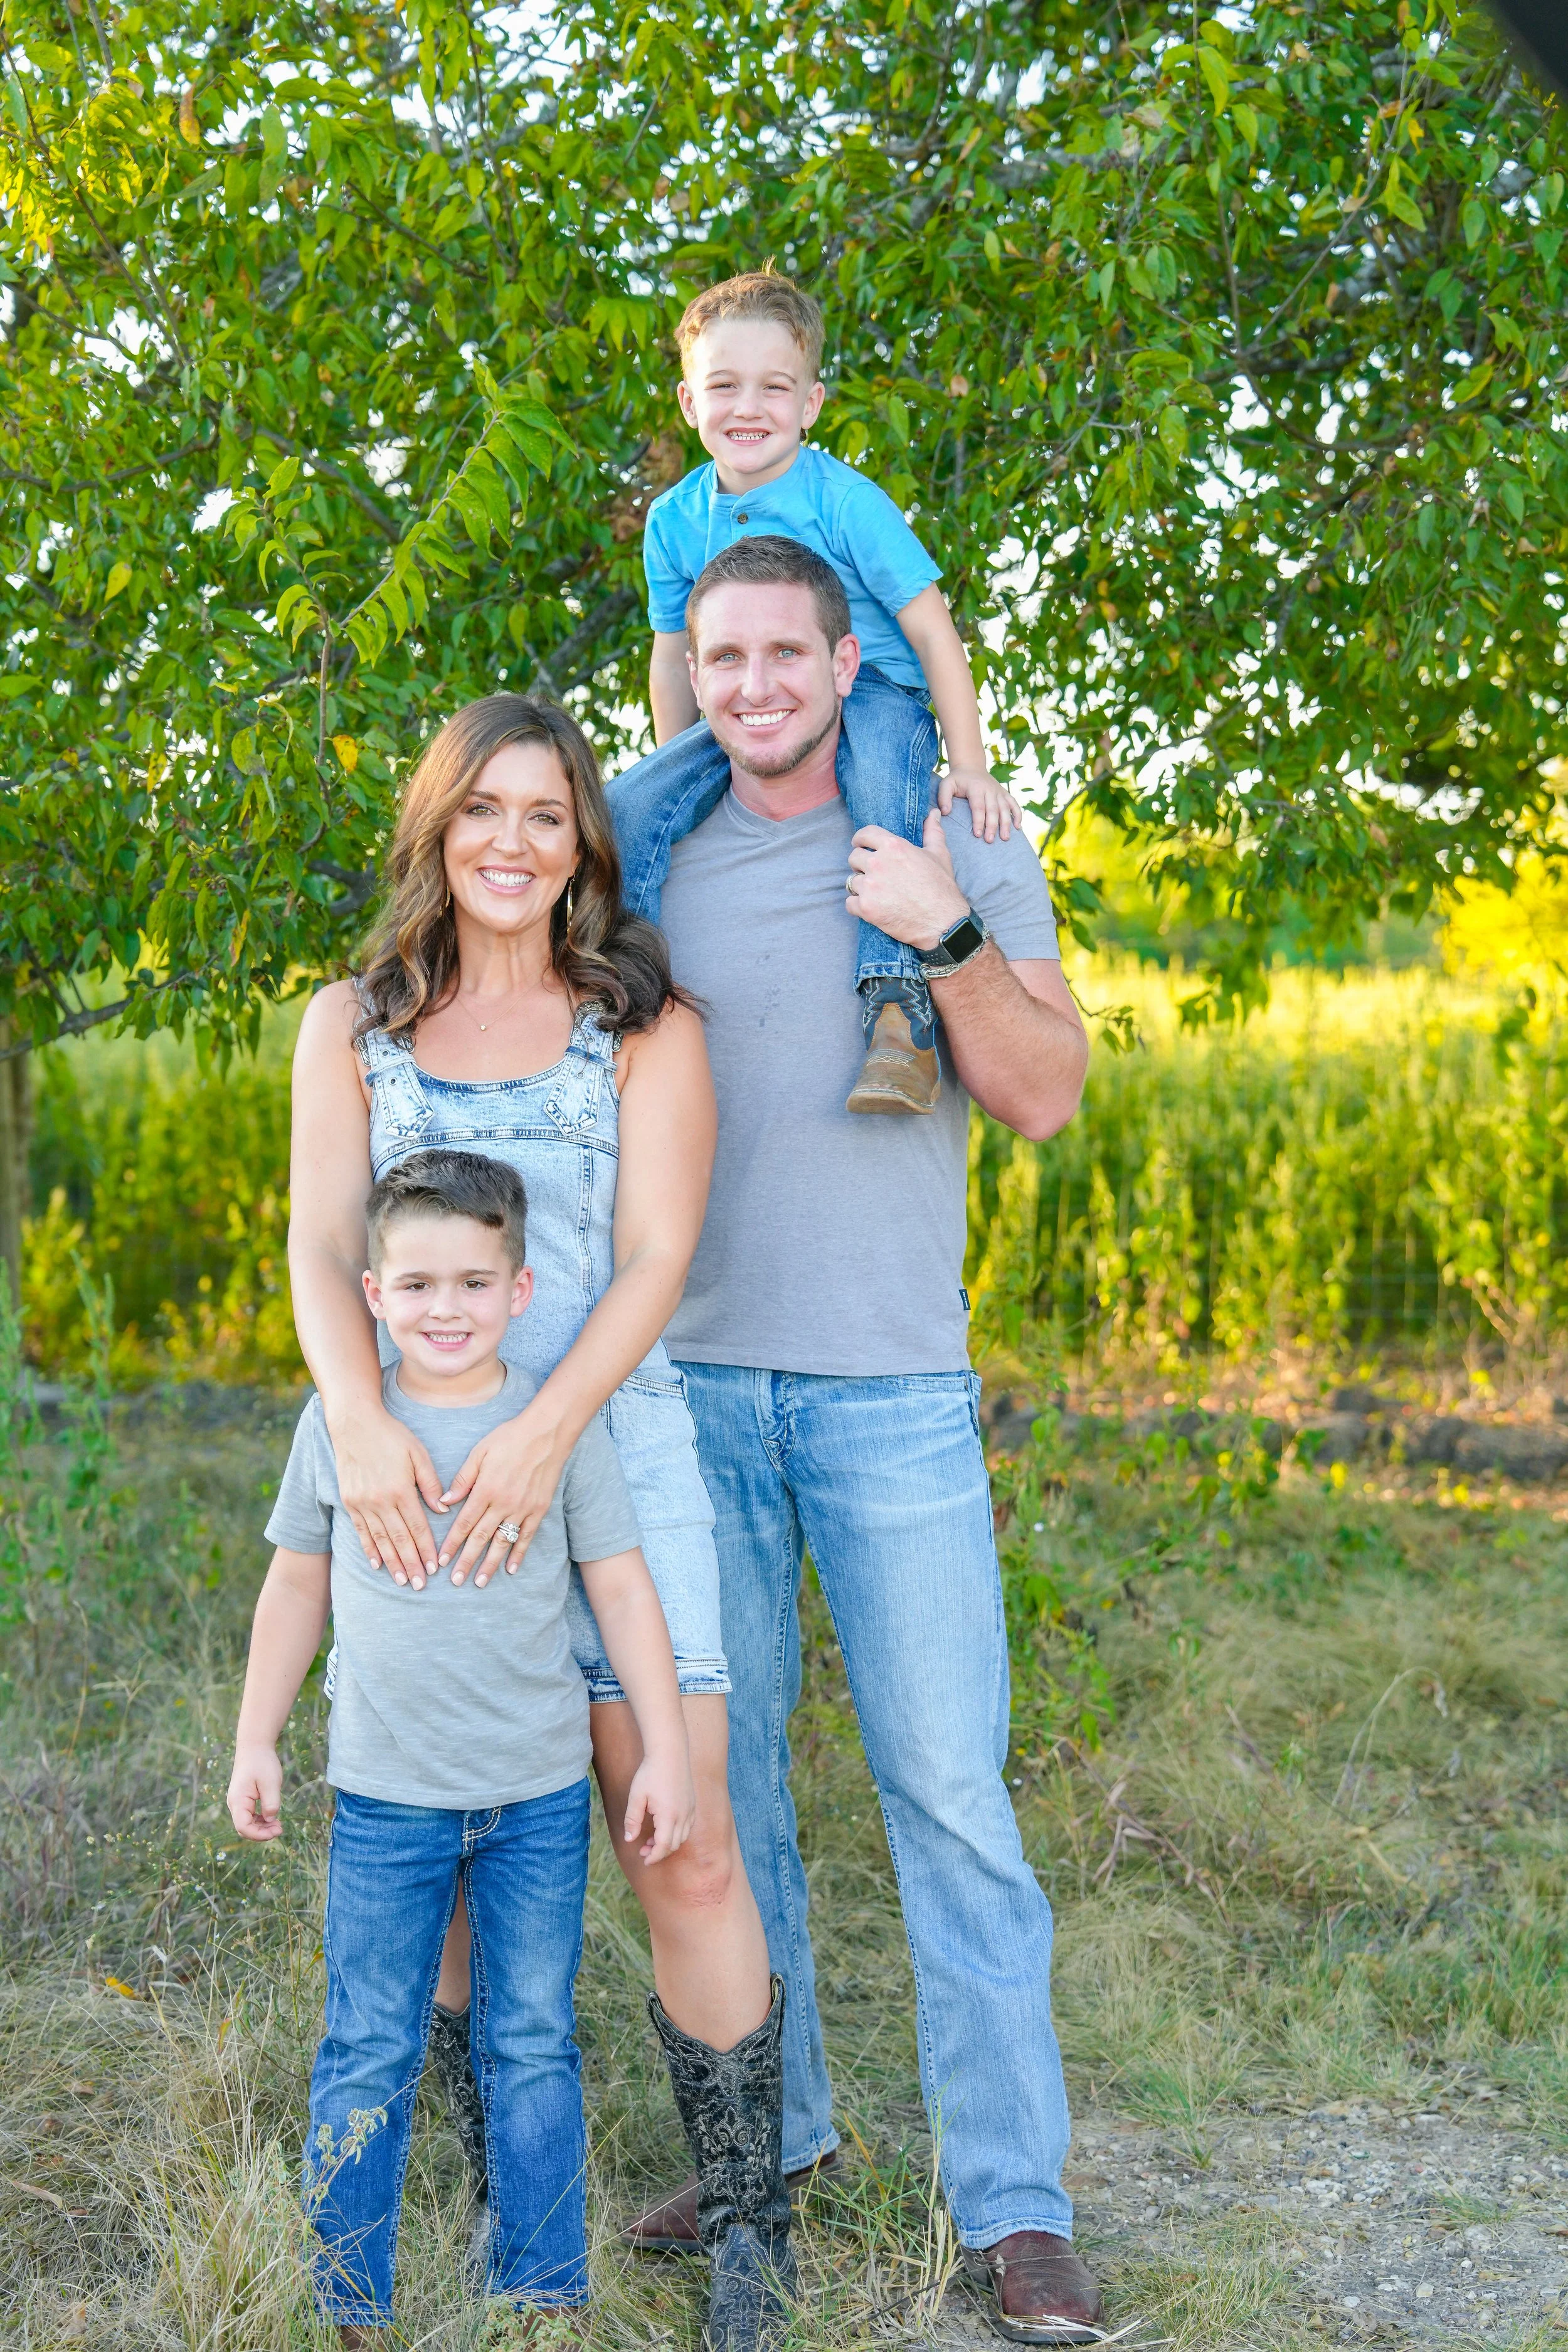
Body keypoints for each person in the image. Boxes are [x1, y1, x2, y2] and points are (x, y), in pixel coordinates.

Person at [610, 536, 1108, 2346]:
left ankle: (1018, 2207)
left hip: (890, 1395)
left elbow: (1045, 1091)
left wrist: (944, 927)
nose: (749, 686)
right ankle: (783, 2139)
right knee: (725, 1806)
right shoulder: (651, 860)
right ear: (696, 674)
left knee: (951, 1799)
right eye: (718, 658)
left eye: (782, 656)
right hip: (684, 1396)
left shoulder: (949, 830)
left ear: (841, 665)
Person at [286, 694, 792, 2349]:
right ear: (435, 826)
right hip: (417, 1466)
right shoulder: (349, 1024)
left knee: (683, 1831)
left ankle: (747, 2227)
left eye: (546, 813)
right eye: (480, 808)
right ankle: (459, 2175)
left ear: (583, 842)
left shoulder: (644, 1026)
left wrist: (544, 1431)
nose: (510, 841)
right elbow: (315, 1247)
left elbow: (652, 1257)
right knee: (438, 1837)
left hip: (610, 1455)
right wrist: (364, 1422)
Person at [228, 1151, 699, 2334]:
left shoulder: (554, 1429)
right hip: (387, 1799)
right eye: (421, 1284)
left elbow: (625, 1589)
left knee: (534, 2035)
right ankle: (347, 2298)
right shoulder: (343, 1423)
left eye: (475, 1283)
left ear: (521, 1289)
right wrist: (257, 1739)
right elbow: (294, 1589)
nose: (449, 1309)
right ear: (375, 1295)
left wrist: (667, 1751)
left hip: (536, 1796)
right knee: (369, 2038)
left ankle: (540, 2292)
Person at [609, 267, 1024, 1116]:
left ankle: (899, 1019)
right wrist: (684, 760)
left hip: (874, 693)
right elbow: (670, 655)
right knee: (627, 808)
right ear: (689, 404)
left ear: (811, 404)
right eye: (724, 385)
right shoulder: (676, 521)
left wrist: (973, 764)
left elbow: (934, 632)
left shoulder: (845, 502)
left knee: (880, 807)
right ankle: (624, 998)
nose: (748, 406)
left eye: (776, 386)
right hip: (753, 705)